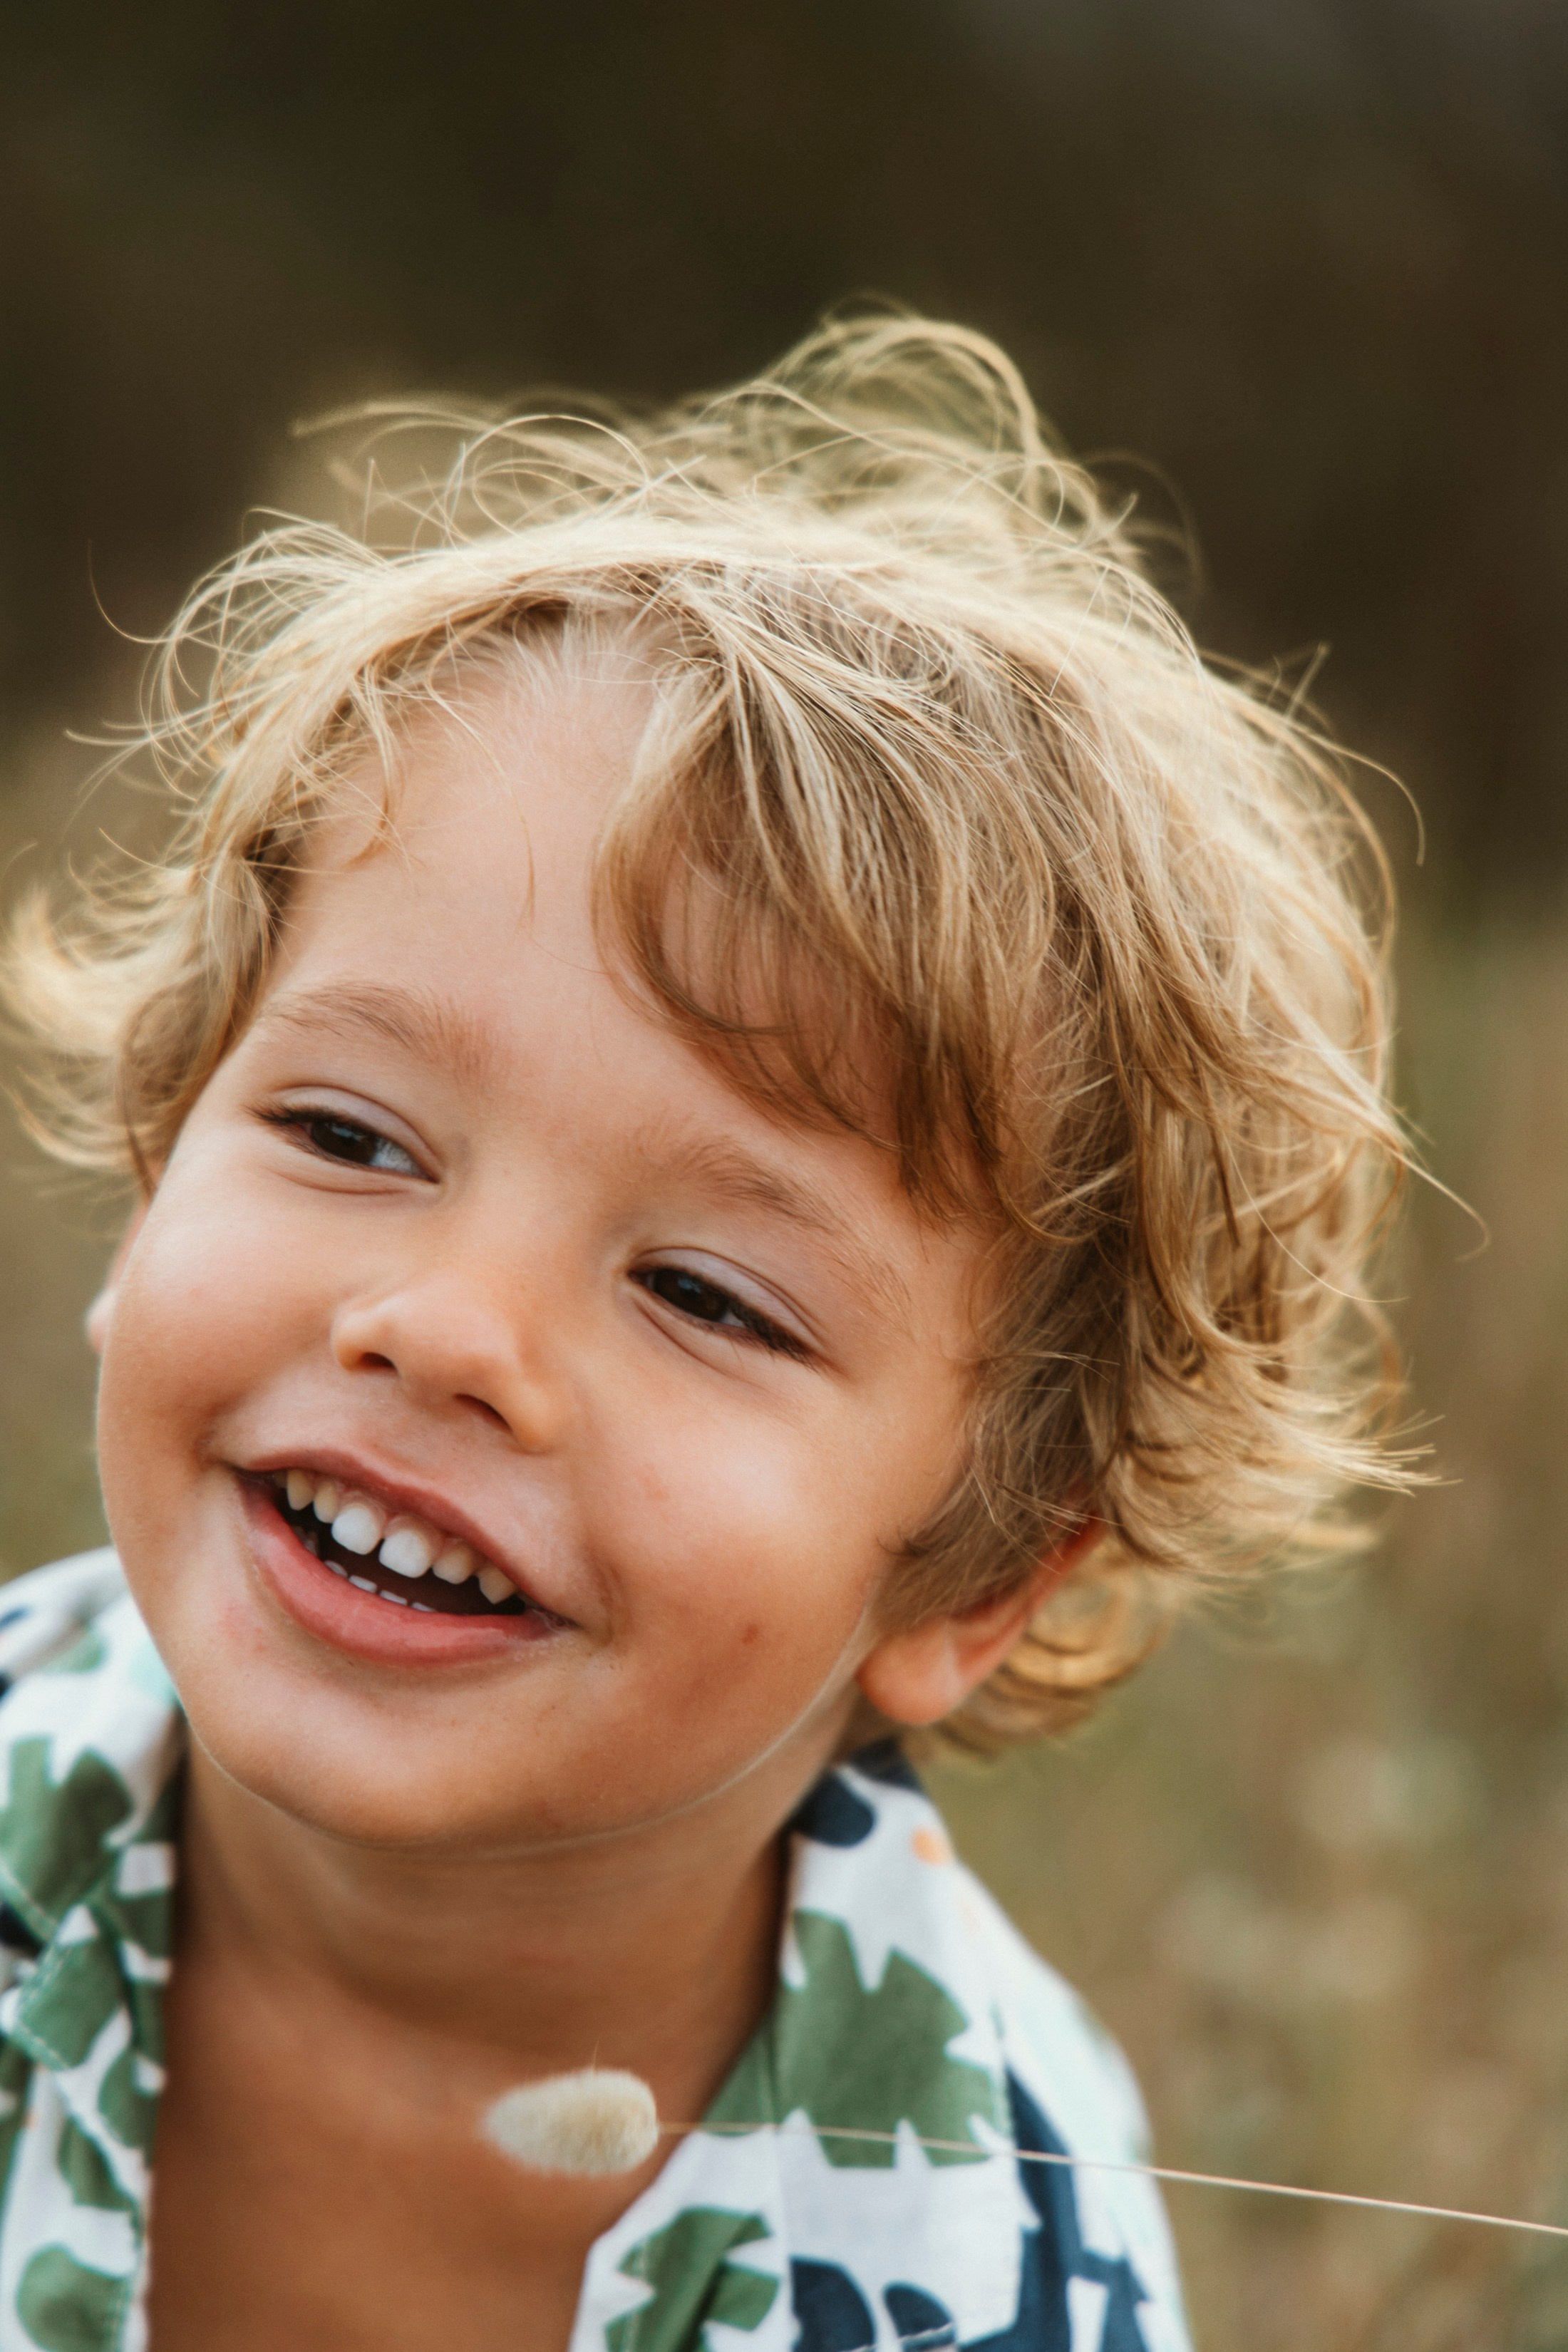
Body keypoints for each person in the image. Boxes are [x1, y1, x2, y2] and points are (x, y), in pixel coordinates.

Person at [0, 314, 1407, 2352]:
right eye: (346, 1130)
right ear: (158, 1165)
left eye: (706, 1293)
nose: (451, 1326)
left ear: (983, 1575)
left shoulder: (984, 2259)